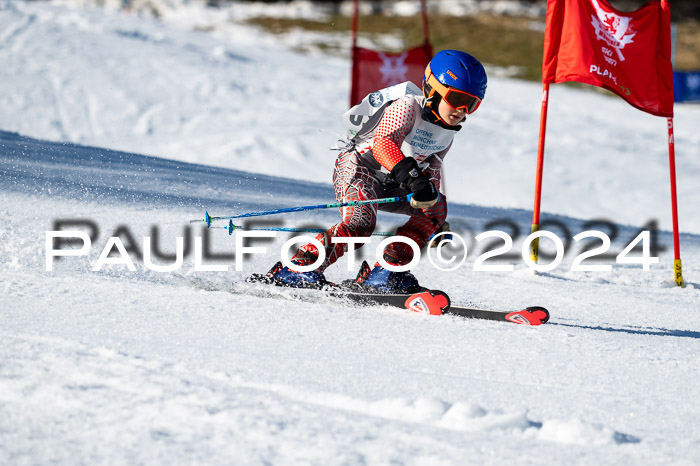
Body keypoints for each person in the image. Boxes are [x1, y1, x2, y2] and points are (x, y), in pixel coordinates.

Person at [265, 50, 487, 292]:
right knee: (359, 225)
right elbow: (383, 145)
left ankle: (388, 271)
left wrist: (431, 215)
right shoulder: (407, 106)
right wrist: (413, 178)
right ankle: (299, 267)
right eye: (456, 98)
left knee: (436, 206)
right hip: (359, 168)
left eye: (472, 104)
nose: (462, 110)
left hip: (392, 181)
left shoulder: (446, 134)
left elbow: (432, 171)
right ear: (432, 89)